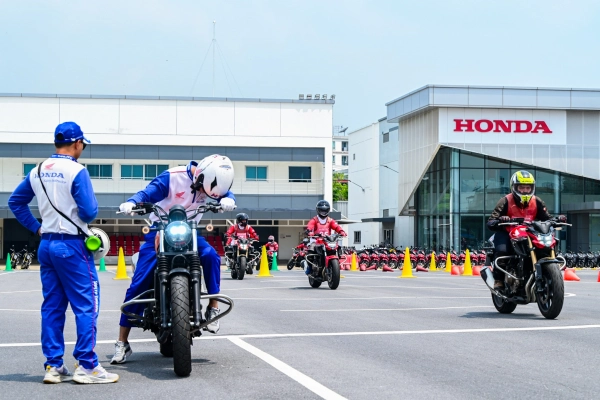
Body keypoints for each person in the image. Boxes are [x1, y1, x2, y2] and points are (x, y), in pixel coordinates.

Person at [8, 122, 119, 384]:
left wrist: (37, 227)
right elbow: (89, 213)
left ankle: (53, 365)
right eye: (83, 144)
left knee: (52, 307)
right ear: (77, 143)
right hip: (72, 245)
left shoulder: (37, 170)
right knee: (87, 305)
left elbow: (15, 202)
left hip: (46, 244)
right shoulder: (77, 171)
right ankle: (87, 366)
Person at [111, 155, 237, 364]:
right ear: (200, 177)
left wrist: (229, 199)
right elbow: (147, 193)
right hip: (160, 229)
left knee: (211, 256)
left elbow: (224, 193)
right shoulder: (172, 177)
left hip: (190, 231)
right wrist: (132, 202)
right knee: (138, 283)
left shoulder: (213, 182)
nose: (205, 194)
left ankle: (213, 305)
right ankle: (122, 342)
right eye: (204, 190)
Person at [487, 170, 566, 290]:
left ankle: (548, 273)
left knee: (548, 244)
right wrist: (501, 220)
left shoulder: (536, 201)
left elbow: (547, 218)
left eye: (528, 188)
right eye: (521, 187)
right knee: (502, 250)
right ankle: (498, 279)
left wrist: (557, 219)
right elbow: (491, 221)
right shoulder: (505, 201)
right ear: (514, 187)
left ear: (532, 188)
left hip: (530, 232)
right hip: (508, 232)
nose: (525, 190)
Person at [304, 200, 347, 274]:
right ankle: (310, 267)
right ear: (318, 210)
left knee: (338, 248)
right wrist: (309, 231)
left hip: (328, 241)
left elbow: (336, 226)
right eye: (322, 210)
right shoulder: (314, 220)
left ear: (328, 210)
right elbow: (310, 226)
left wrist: (341, 231)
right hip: (316, 241)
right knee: (310, 251)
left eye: (325, 210)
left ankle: (335, 265)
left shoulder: (330, 220)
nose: (323, 212)